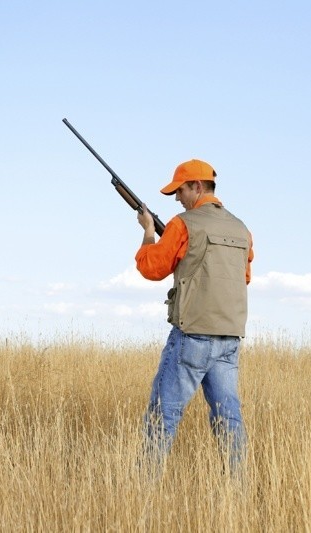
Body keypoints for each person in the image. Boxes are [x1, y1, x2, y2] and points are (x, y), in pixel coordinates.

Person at [135, 159, 253, 476]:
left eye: (181, 190)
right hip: (229, 338)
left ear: (197, 187)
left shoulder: (183, 223)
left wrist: (149, 232)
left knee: (164, 414)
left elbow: (151, 268)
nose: (177, 199)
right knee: (228, 417)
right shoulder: (242, 228)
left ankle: (142, 491)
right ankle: (237, 489)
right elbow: (244, 274)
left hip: (192, 336)